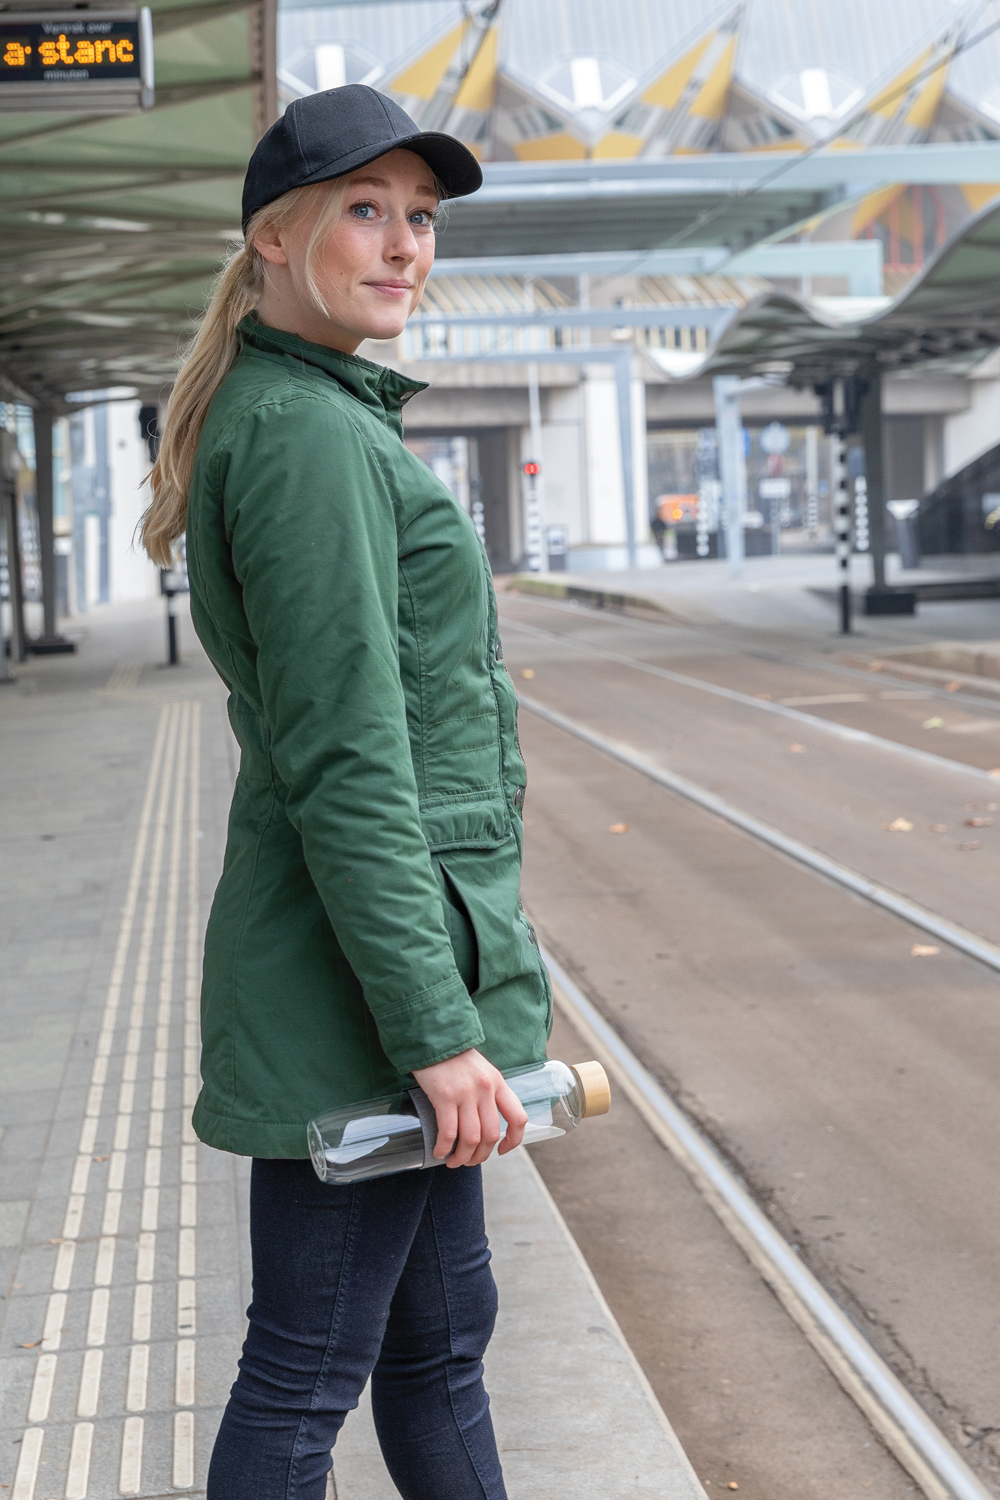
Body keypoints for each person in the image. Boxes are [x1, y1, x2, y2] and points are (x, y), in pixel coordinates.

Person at [141, 84, 552, 1500]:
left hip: (375, 969)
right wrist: (435, 1033)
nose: (403, 245)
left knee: (437, 1347)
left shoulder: (316, 412)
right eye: (364, 211)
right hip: (359, 995)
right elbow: (350, 760)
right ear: (274, 235)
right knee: (307, 1373)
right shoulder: (306, 434)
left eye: (420, 217)